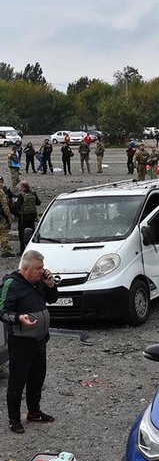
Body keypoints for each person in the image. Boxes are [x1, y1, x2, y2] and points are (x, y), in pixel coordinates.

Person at [0, 249, 58, 434]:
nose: (43, 271)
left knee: (37, 378)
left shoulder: (39, 281)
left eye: (43, 267)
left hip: (39, 339)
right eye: (38, 268)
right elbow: (2, 312)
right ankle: (14, 419)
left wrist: (50, 286)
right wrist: (19, 318)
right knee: (18, 381)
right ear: (26, 268)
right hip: (21, 341)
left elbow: (53, 299)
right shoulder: (11, 284)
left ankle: (34, 412)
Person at [14, 181, 41, 254]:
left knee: (22, 234)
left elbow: (16, 207)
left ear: (22, 187)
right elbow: (38, 203)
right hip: (32, 217)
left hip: (23, 218)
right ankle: (32, 249)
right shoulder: (33, 193)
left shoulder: (21, 195)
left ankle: (22, 250)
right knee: (32, 233)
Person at [0, 182, 14, 257]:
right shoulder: (1, 192)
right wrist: (9, 215)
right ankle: (4, 250)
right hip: (1, 216)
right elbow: (4, 205)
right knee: (4, 231)